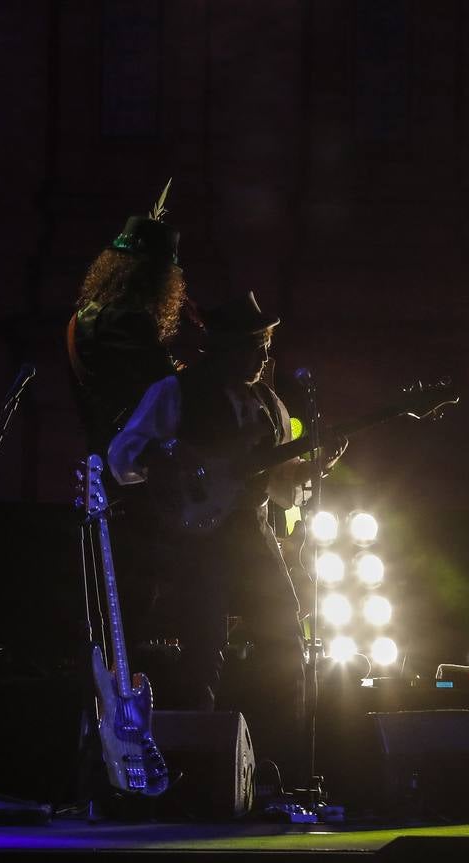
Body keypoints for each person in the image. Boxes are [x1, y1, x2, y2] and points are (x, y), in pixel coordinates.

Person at [107, 291, 344, 788]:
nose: (264, 356)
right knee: (203, 650)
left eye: (266, 345)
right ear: (226, 347)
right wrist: (178, 467)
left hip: (252, 536)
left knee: (285, 638)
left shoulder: (270, 404)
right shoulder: (175, 392)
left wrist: (317, 464)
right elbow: (123, 455)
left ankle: (285, 766)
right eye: (257, 345)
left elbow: (280, 490)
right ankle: (196, 772)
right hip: (197, 541)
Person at [67, 180, 194, 459]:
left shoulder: (82, 317)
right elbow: (165, 387)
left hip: (98, 452)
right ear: (157, 279)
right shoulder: (129, 322)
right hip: (132, 460)